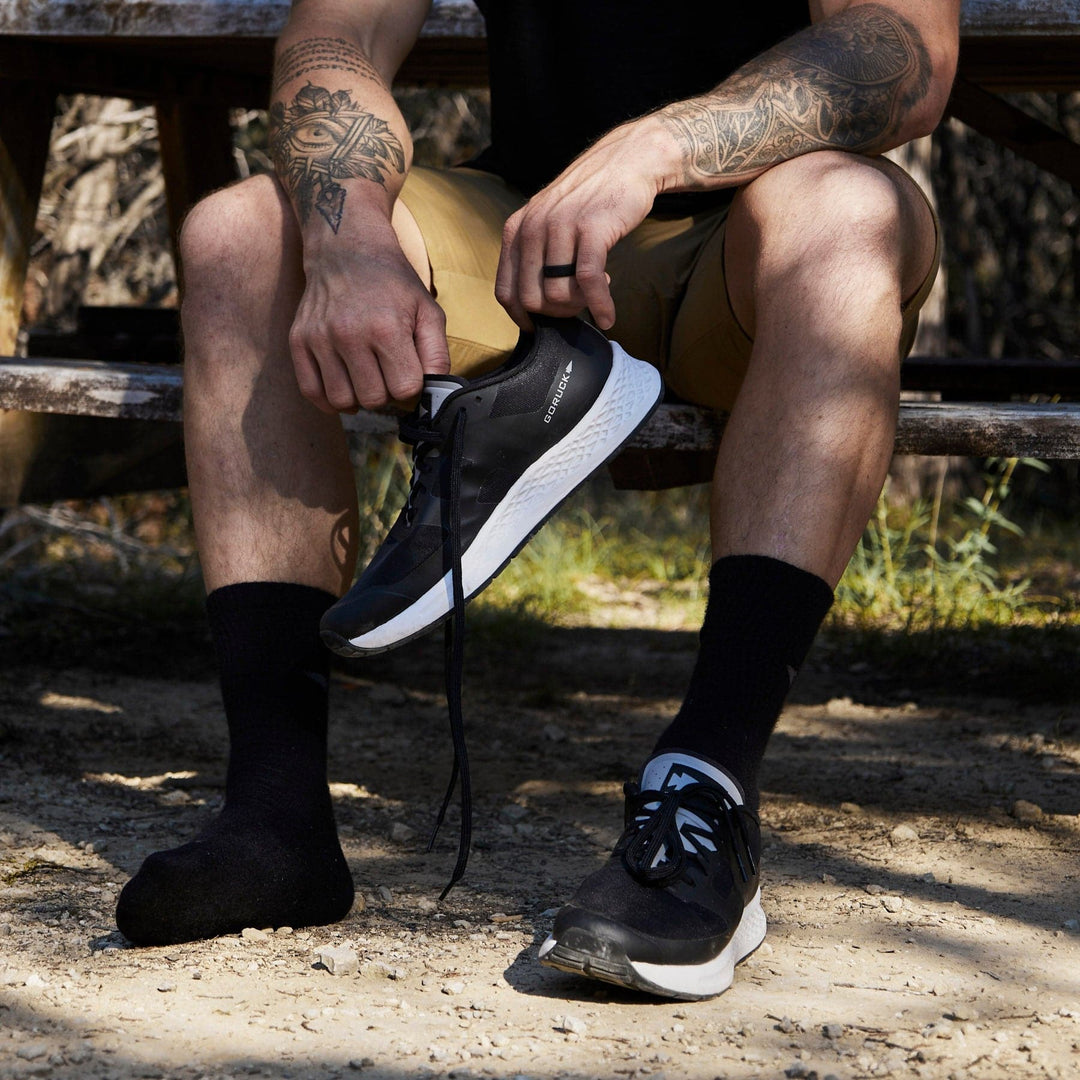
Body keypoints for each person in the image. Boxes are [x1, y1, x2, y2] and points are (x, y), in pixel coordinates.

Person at [115, 0, 961, 1000]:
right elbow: (333, 40)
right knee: (240, 237)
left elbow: (904, 53)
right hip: (527, 230)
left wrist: (657, 146)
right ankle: (274, 814)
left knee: (849, 212)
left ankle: (706, 797)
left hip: (755, 230)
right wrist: (348, 243)